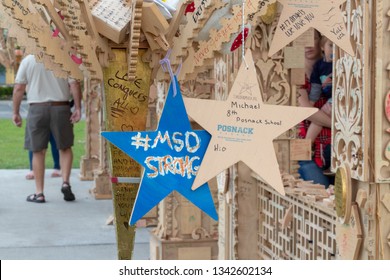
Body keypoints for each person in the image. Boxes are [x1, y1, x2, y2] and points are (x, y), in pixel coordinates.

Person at [12, 54, 82, 203]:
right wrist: (78, 108)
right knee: (65, 147)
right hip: (61, 107)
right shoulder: (64, 58)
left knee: (38, 151)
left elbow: (19, 88)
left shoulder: (28, 60)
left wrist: (15, 112)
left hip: (37, 109)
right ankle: (65, 182)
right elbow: (74, 84)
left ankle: (39, 193)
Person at [297, 30, 333, 188]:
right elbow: (304, 109)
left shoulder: (332, 63)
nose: (308, 44)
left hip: (334, 147)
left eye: (313, 38)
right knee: (321, 195)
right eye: (302, 39)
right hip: (306, 148)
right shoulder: (294, 65)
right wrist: (337, 126)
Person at [305, 36, 333, 144]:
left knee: (321, 116)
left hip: (338, 97)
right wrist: (311, 102)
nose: (333, 50)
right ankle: (305, 147)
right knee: (319, 118)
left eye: (337, 47)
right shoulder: (319, 66)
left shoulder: (339, 63)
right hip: (329, 100)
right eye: (330, 46)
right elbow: (316, 86)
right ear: (322, 47)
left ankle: (306, 145)